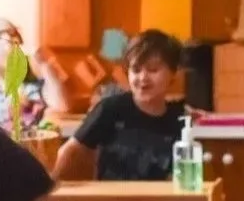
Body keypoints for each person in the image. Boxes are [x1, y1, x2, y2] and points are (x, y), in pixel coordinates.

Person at [56, 30, 187, 181]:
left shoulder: (179, 119)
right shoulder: (110, 109)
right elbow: (71, 151)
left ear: (174, 73)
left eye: (153, 70)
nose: (143, 77)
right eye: (136, 70)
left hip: (156, 195)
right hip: (110, 195)